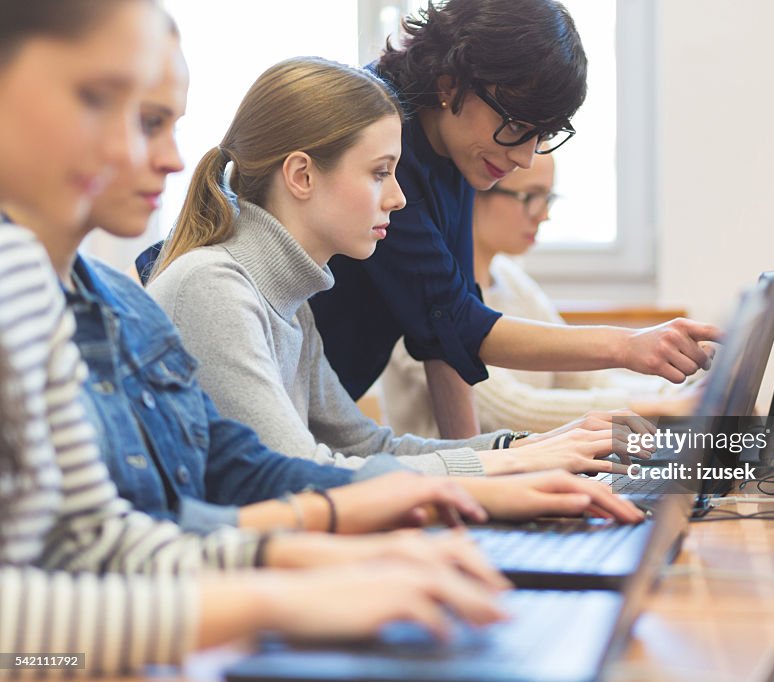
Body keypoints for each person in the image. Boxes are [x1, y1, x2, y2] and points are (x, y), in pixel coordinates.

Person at [0, 1, 508, 673]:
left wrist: (310, 560)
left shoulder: (31, 280)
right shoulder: (203, 285)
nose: (158, 157)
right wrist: (277, 595)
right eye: (102, 101)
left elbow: (104, 546)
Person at [146, 55, 655, 478]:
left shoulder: (289, 303)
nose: (398, 197)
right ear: (301, 175)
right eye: (379, 173)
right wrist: (513, 463)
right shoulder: (214, 287)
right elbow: (299, 475)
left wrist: (519, 448)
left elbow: (367, 446)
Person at [301, 0, 721, 439]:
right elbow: (459, 323)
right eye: (517, 126)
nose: (523, 157)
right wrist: (627, 346)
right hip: (280, 408)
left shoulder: (454, 145)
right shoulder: (386, 140)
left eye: (543, 135)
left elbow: (448, 338)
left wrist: (477, 478)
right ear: (450, 84)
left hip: (316, 412)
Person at [382, 153, 706, 436]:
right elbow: (510, 412)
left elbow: (584, 381)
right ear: (476, 193)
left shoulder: (511, 279)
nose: (544, 214)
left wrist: (684, 391)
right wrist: (661, 408)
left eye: (549, 198)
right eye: (530, 196)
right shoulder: (422, 291)